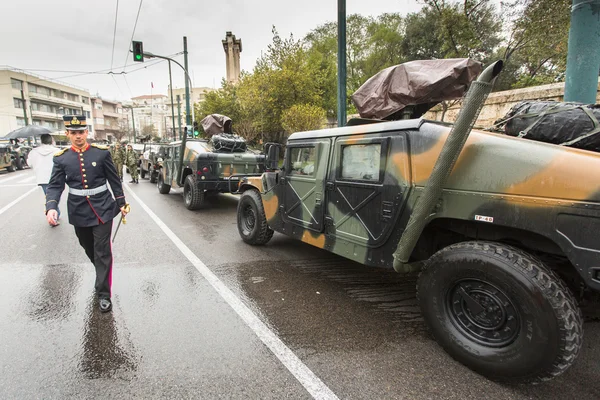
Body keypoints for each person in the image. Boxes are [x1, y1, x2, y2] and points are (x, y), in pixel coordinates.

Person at [45, 115, 128, 313]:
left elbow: (114, 180)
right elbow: (55, 185)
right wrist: (51, 207)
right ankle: (101, 273)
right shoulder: (61, 158)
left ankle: (104, 294)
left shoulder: (101, 154)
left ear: (86, 133)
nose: (78, 136)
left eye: (81, 132)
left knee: (102, 252)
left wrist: (122, 202)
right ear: (67, 134)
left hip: (103, 208)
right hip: (78, 210)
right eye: (73, 133)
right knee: (88, 247)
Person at [27, 134, 61, 222]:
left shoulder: (34, 151)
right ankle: (53, 215)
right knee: (54, 195)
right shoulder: (57, 151)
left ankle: (54, 212)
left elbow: (29, 163)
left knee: (48, 195)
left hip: (42, 178)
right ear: (51, 140)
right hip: (56, 176)